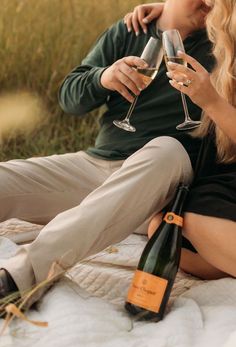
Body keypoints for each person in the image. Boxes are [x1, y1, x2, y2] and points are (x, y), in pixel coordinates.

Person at [0, 0, 213, 307]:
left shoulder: (223, 41)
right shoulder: (128, 30)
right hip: (97, 166)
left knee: (168, 149)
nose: (210, 2)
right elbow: (69, 98)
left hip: (161, 181)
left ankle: (24, 274)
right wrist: (103, 77)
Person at [127, 0, 236, 280]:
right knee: (163, 226)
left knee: (187, 218)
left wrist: (211, 102)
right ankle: (223, 261)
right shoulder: (223, 31)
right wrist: (167, 9)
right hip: (224, 175)